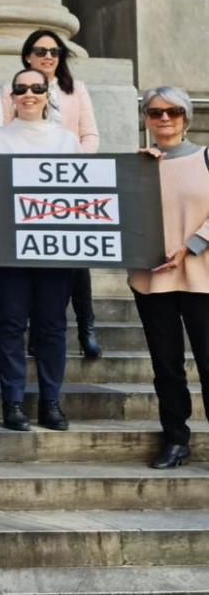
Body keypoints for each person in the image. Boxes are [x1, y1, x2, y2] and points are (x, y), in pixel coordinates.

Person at [0, 68, 79, 433]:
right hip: (8, 247)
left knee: (52, 326)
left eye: (37, 87)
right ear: (12, 96)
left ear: (48, 93)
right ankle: (13, 402)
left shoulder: (67, 140)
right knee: (11, 324)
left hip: (55, 246)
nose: (29, 94)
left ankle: (51, 400)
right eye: (21, 88)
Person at [3, 29, 103, 359]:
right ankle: (39, 326)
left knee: (76, 258)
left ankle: (87, 324)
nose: (49, 56)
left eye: (55, 51)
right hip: (29, 188)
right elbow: (5, 135)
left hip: (69, 184)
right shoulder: (14, 91)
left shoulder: (77, 90)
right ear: (27, 56)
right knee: (38, 259)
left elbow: (90, 135)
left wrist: (73, 168)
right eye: (41, 50)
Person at [129, 87, 209, 469]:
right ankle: (176, 439)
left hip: (201, 277)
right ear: (145, 117)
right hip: (152, 280)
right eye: (155, 111)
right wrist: (136, 173)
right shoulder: (136, 165)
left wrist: (192, 243)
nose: (164, 118)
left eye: (173, 111)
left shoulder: (206, 157)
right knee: (166, 365)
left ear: (186, 116)